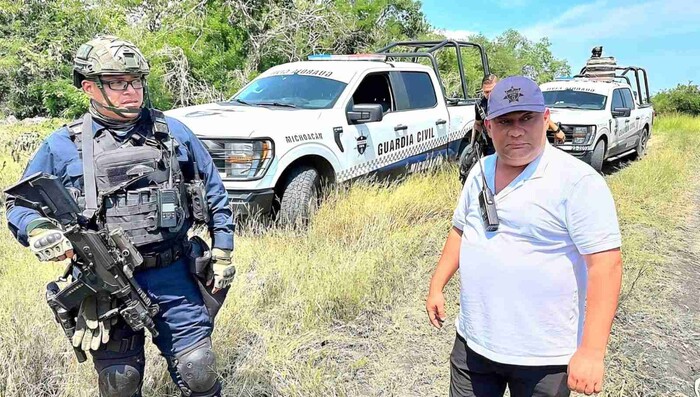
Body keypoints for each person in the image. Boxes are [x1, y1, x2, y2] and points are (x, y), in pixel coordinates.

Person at [5, 35, 236, 397]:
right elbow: (19, 204)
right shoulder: (63, 144)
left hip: (174, 273)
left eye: (136, 81)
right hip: (104, 284)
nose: (131, 90)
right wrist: (38, 230)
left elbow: (213, 190)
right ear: (89, 88)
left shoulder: (173, 132)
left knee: (199, 370)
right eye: (117, 82)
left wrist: (222, 251)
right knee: (120, 382)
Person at [426, 76, 623, 397]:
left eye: (526, 118)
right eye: (505, 121)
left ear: (545, 119)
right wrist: (437, 285)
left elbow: (606, 266)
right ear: (488, 126)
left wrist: (592, 352)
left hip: (544, 356)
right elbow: (461, 230)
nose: (515, 130)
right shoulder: (480, 171)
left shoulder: (578, 182)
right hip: (474, 343)